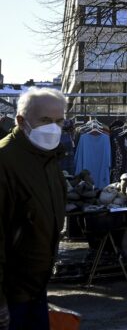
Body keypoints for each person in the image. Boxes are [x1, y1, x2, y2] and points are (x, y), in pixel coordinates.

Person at [0, 88, 68, 330]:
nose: (53, 128)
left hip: (35, 291)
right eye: (45, 120)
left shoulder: (46, 157)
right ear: (21, 120)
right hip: (11, 297)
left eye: (59, 121)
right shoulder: (5, 160)